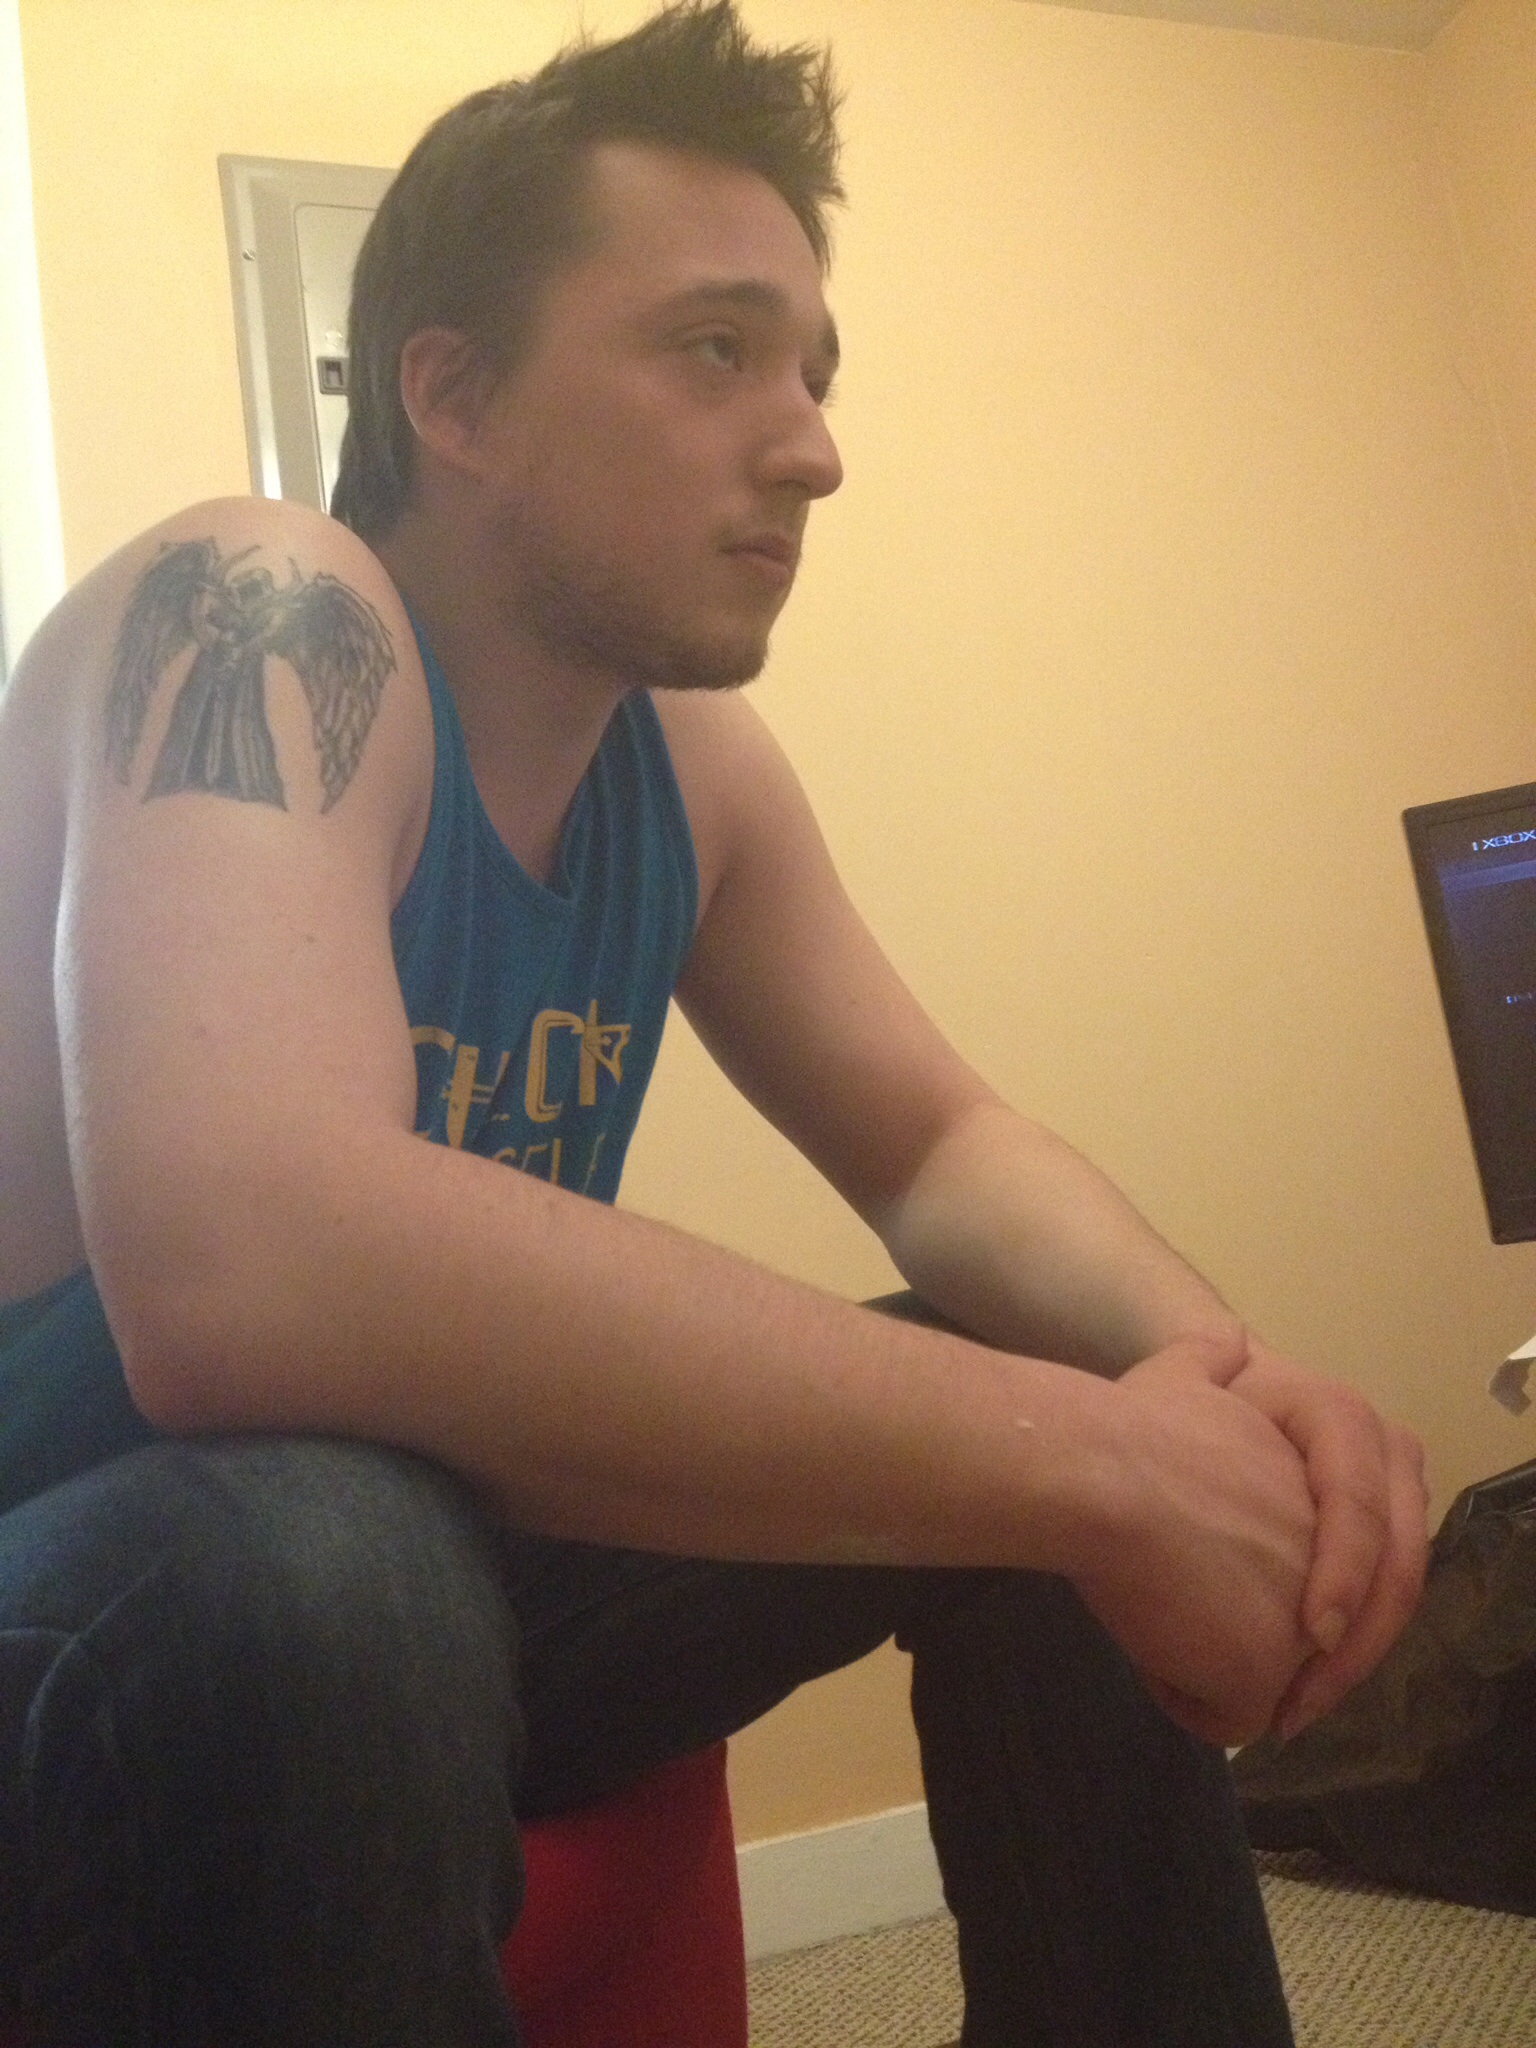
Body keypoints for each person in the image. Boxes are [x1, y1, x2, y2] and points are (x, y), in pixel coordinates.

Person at [0, 4, 1427, 2042]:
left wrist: (1219, 1387)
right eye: (713, 349)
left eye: (815, 370)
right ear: (451, 392)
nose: (812, 444)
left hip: (433, 1562)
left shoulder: (688, 765)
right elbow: (247, 1261)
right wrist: (1100, 1469)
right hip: (99, 1593)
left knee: (1038, 1389)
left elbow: (940, 1148)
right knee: (325, 1554)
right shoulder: (265, 611)